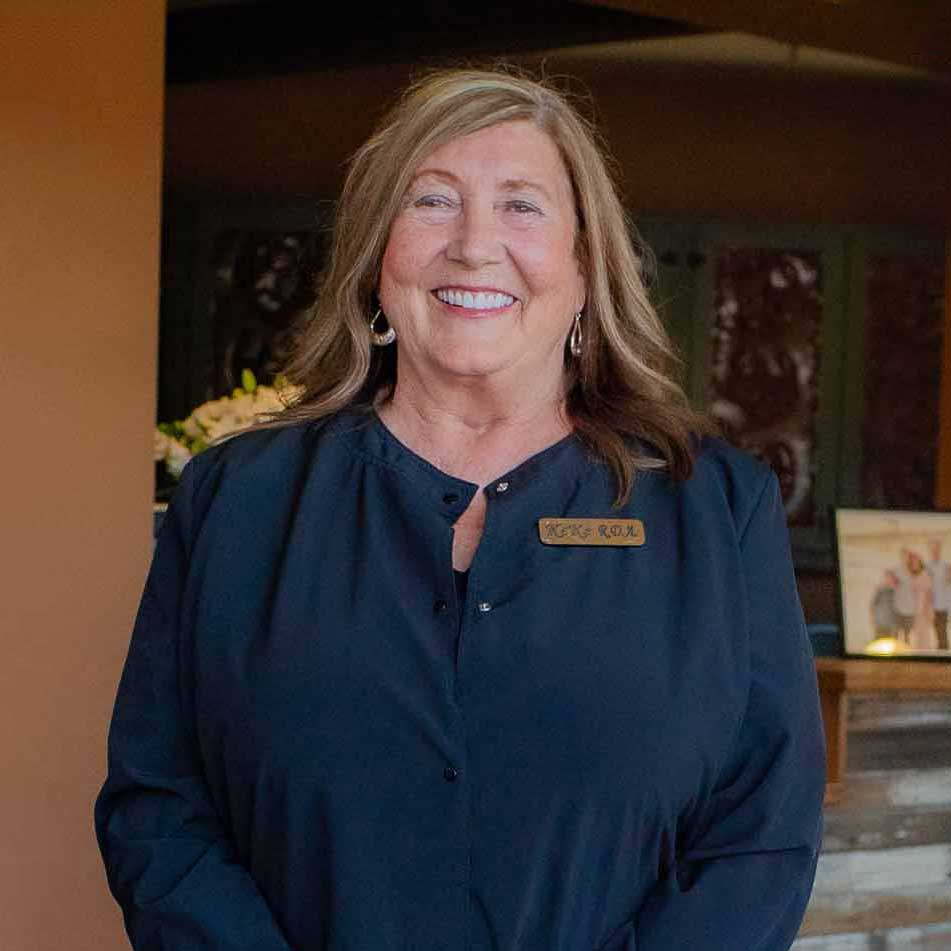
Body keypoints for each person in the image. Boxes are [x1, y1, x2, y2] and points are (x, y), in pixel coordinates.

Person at [95, 67, 826, 951]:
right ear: (376, 256)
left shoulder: (713, 510)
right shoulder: (238, 500)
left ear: (585, 266)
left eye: (521, 206)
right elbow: (159, 807)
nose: (475, 245)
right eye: (431, 201)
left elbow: (761, 833)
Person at [926, 539, 951, 651]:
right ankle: (939, 652)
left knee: (942, 630)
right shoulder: (927, 566)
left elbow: (948, 583)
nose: (935, 551)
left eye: (936, 549)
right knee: (935, 632)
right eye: (932, 549)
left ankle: (943, 653)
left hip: (943, 605)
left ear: (940, 550)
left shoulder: (946, 565)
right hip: (930, 605)